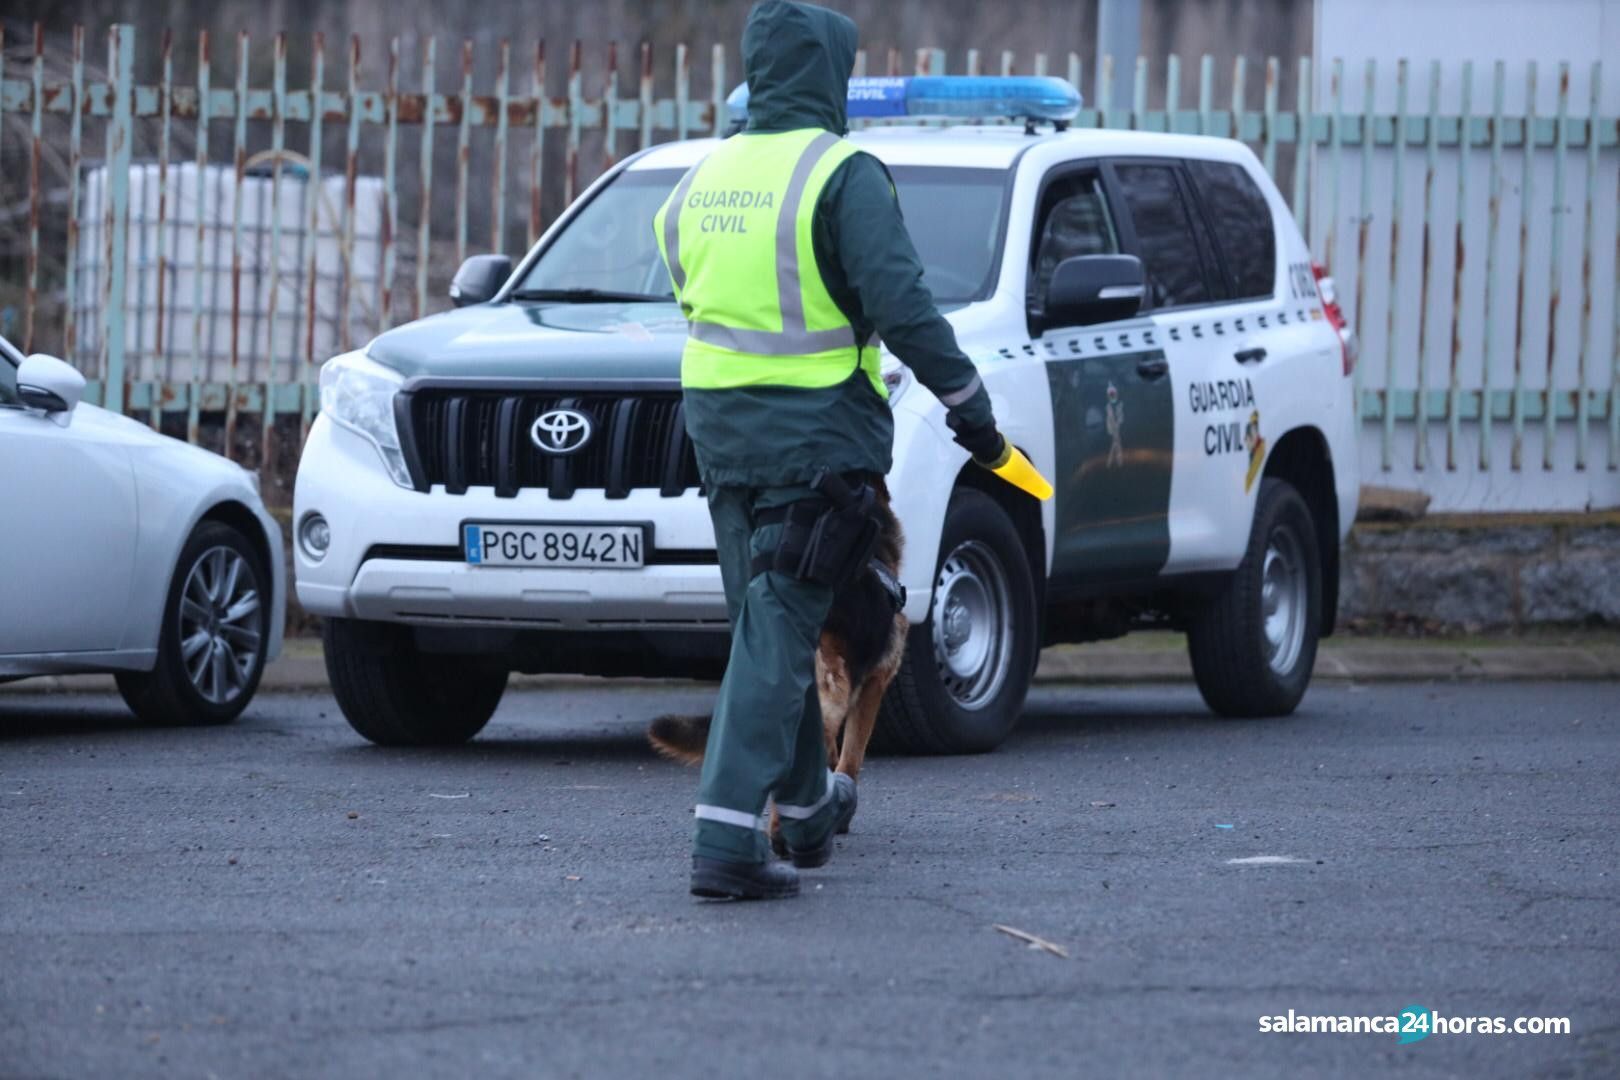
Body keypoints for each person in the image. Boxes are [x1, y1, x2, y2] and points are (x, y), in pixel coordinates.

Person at [653, 0, 1007, 900]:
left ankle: (807, 818)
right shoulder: (842, 174)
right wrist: (971, 411)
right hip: (813, 440)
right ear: (828, 72)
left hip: (721, 438)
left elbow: (683, 279)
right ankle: (727, 842)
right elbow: (902, 303)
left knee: (766, 626)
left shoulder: (704, 174)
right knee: (777, 635)